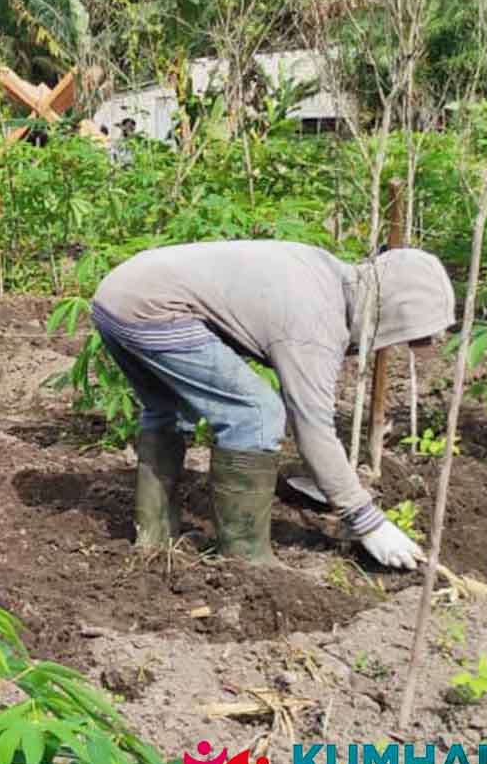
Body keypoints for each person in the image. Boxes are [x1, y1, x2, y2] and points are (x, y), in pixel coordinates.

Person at [89, 240, 454, 567]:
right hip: (153, 308)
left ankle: (154, 537)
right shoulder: (314, 321)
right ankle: (244, 561)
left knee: (167, 408)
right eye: (405, 334)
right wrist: (366, 521)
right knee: (256, 413)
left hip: (118, 292)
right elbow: (312, 426)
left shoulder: (323, 270)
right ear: (389, 311)